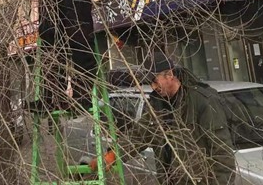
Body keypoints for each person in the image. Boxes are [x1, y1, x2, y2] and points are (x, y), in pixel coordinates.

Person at [92, 53, 236, 184]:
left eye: (155, 81)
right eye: (150, 83)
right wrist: (113, 155)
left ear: (169, 75)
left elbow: (221, 153)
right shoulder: (158, 105)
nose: (153, 87)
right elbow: (139, 135)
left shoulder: (203, 101)